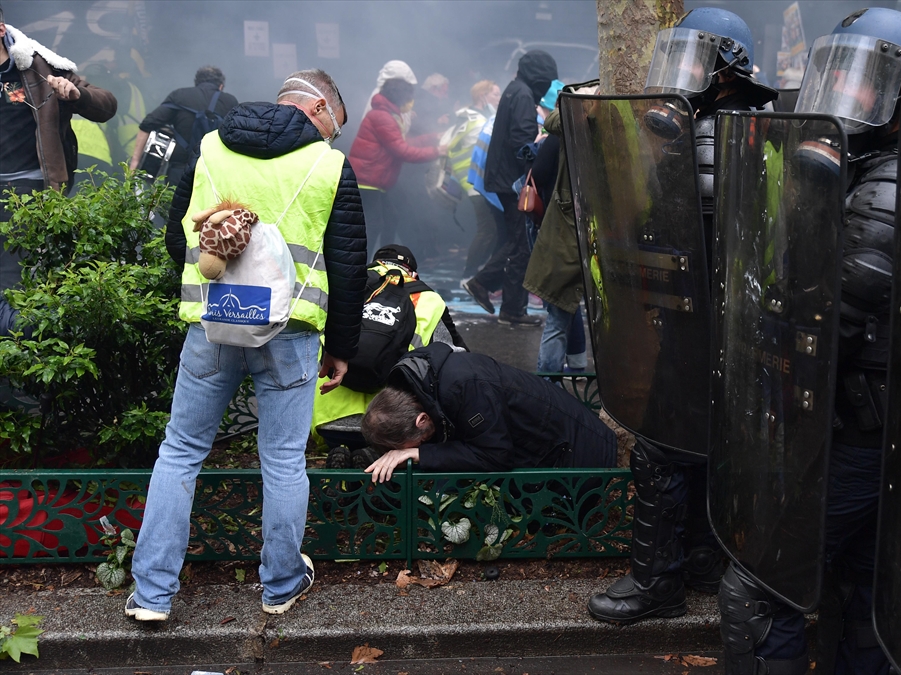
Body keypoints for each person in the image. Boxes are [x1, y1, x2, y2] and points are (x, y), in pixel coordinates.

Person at [715, 8, 901, 674]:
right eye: (844, 76)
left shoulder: (891, 185)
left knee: (760, 588)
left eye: (871, 81)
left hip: (857, 426)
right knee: (861, 592)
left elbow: (829, 312)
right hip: (876, 425)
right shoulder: (873, 166)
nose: (854, 95)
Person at [126, 69, 367, 622]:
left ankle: (153, 594)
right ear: (315, 109)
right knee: (283, 459)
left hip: (212, 325)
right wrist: (341, 345)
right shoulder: (328, 165)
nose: (334, 136)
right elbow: (350, 268)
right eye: (335, 123)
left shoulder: (211, 149)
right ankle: (281, 583)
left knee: (182, 450)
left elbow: (174, 236)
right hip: (293, 332)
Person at [584, 7, 778, 628]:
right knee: (705, 444)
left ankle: (658, 582)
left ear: (724, 69)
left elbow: (684, 237)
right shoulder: (741, 125)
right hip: (722, 325)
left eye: (693, 59)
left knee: (663, 446)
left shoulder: (713, 135)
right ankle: (697, 558)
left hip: (704, 322)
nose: (679, 73)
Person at [0, 7, 117, 337]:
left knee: (17, 279)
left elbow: (106, 104)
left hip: (29, 191)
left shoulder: (38, 65)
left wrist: (76, 95)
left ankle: (22, 363)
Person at [360, 341, 616, 477]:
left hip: (579, 461)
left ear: (421, 420)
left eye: (416, 442)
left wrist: (419, 455)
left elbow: (495, 455)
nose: (421, 445)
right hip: (545, 449)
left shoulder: (464, 389)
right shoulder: (419, 381)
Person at [313, 244, 466, 463]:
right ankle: (374, 457)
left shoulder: (341, 284)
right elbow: (456, 357)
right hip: (391, 425)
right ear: (413, 273)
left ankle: (339, 456)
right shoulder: (429, 300)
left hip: (327, 418)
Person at [462, 50, 558, 327]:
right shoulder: (524, 95)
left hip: (502, 179)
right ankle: (498, 296)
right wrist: (538, 144)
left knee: (518, 242)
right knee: (520, 245)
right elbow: (521, 139)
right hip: (512, 181)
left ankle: (505, 301)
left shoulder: (514, 90)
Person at [523, 79, 594, 374]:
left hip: (562, 228)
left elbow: (539, 173)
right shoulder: (593, 134)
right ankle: (576, 363)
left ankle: (546, 381)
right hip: (581, 229)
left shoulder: (562, 134)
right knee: (564, 305)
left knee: (557, 311)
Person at [349, 77, 447, 258]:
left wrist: (432, 137)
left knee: (390, 218)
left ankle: (380, 262)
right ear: (400, 97)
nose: (411, 102)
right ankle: (360, 268)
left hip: (376, 179)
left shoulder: (387, 115)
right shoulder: (382, 117)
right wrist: (436, 151)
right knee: (374, 224)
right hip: (368, 180)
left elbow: (400, 142)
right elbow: (402, 150)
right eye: (409, 97)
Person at [129, 65, 237, 186]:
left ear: (197, 82)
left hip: (180, 170)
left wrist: (135, 162)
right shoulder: (230, 101)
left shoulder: (179, 95)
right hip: (215, 171)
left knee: (176, 203)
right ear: (220, 86)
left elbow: (147, 123)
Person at [462, 82, 504, 281]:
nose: (499, 97)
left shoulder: (471, 117)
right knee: (488, 231)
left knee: (491, 231)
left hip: (478, 183)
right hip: (479, 184)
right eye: (495, 94)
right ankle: (469, 275)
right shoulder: (481, 121)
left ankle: (476, 273)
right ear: (483, 97)